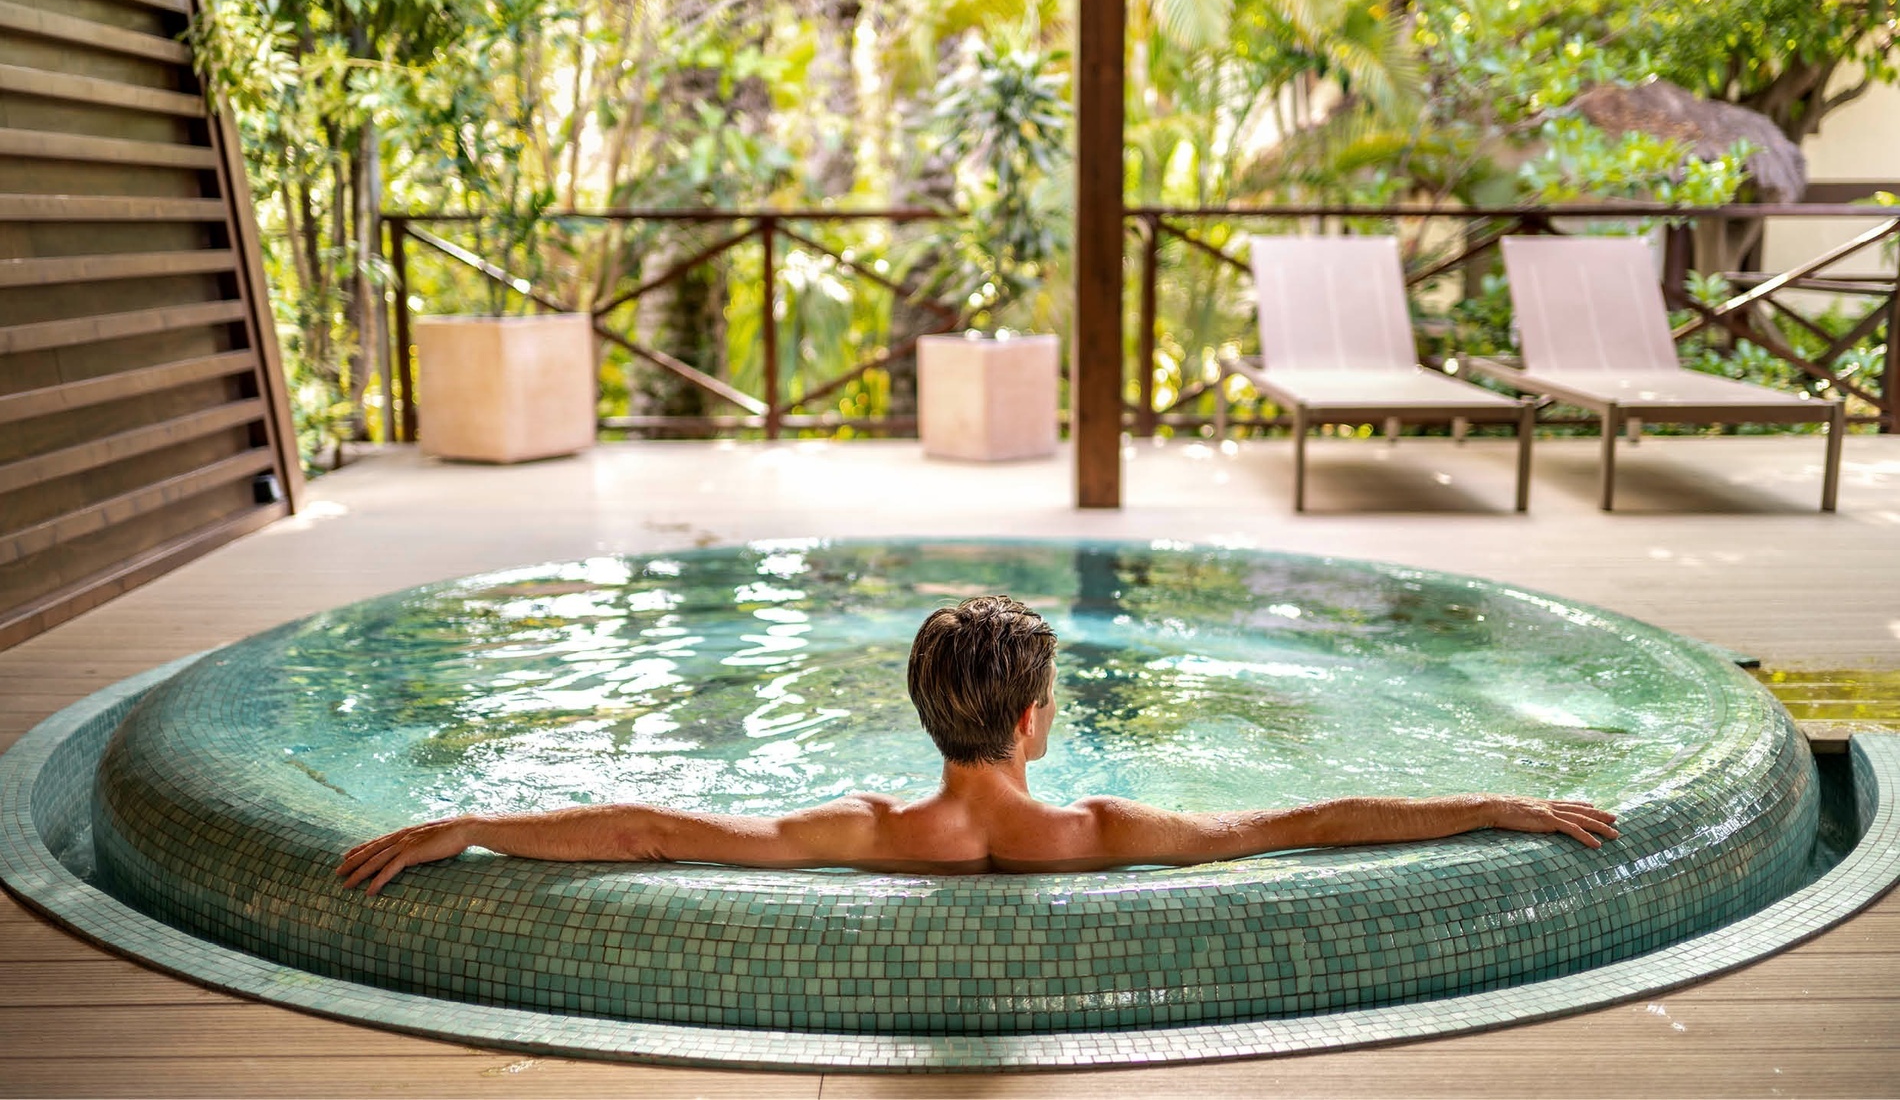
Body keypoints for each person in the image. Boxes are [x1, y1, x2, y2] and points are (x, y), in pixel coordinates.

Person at [338, 595, 1619, 896]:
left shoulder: (866, 832)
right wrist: (1488, 802)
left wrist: (477, 821)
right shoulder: (1105, 833)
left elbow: (650, 829)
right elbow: (1309, 819)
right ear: (1031, 720)